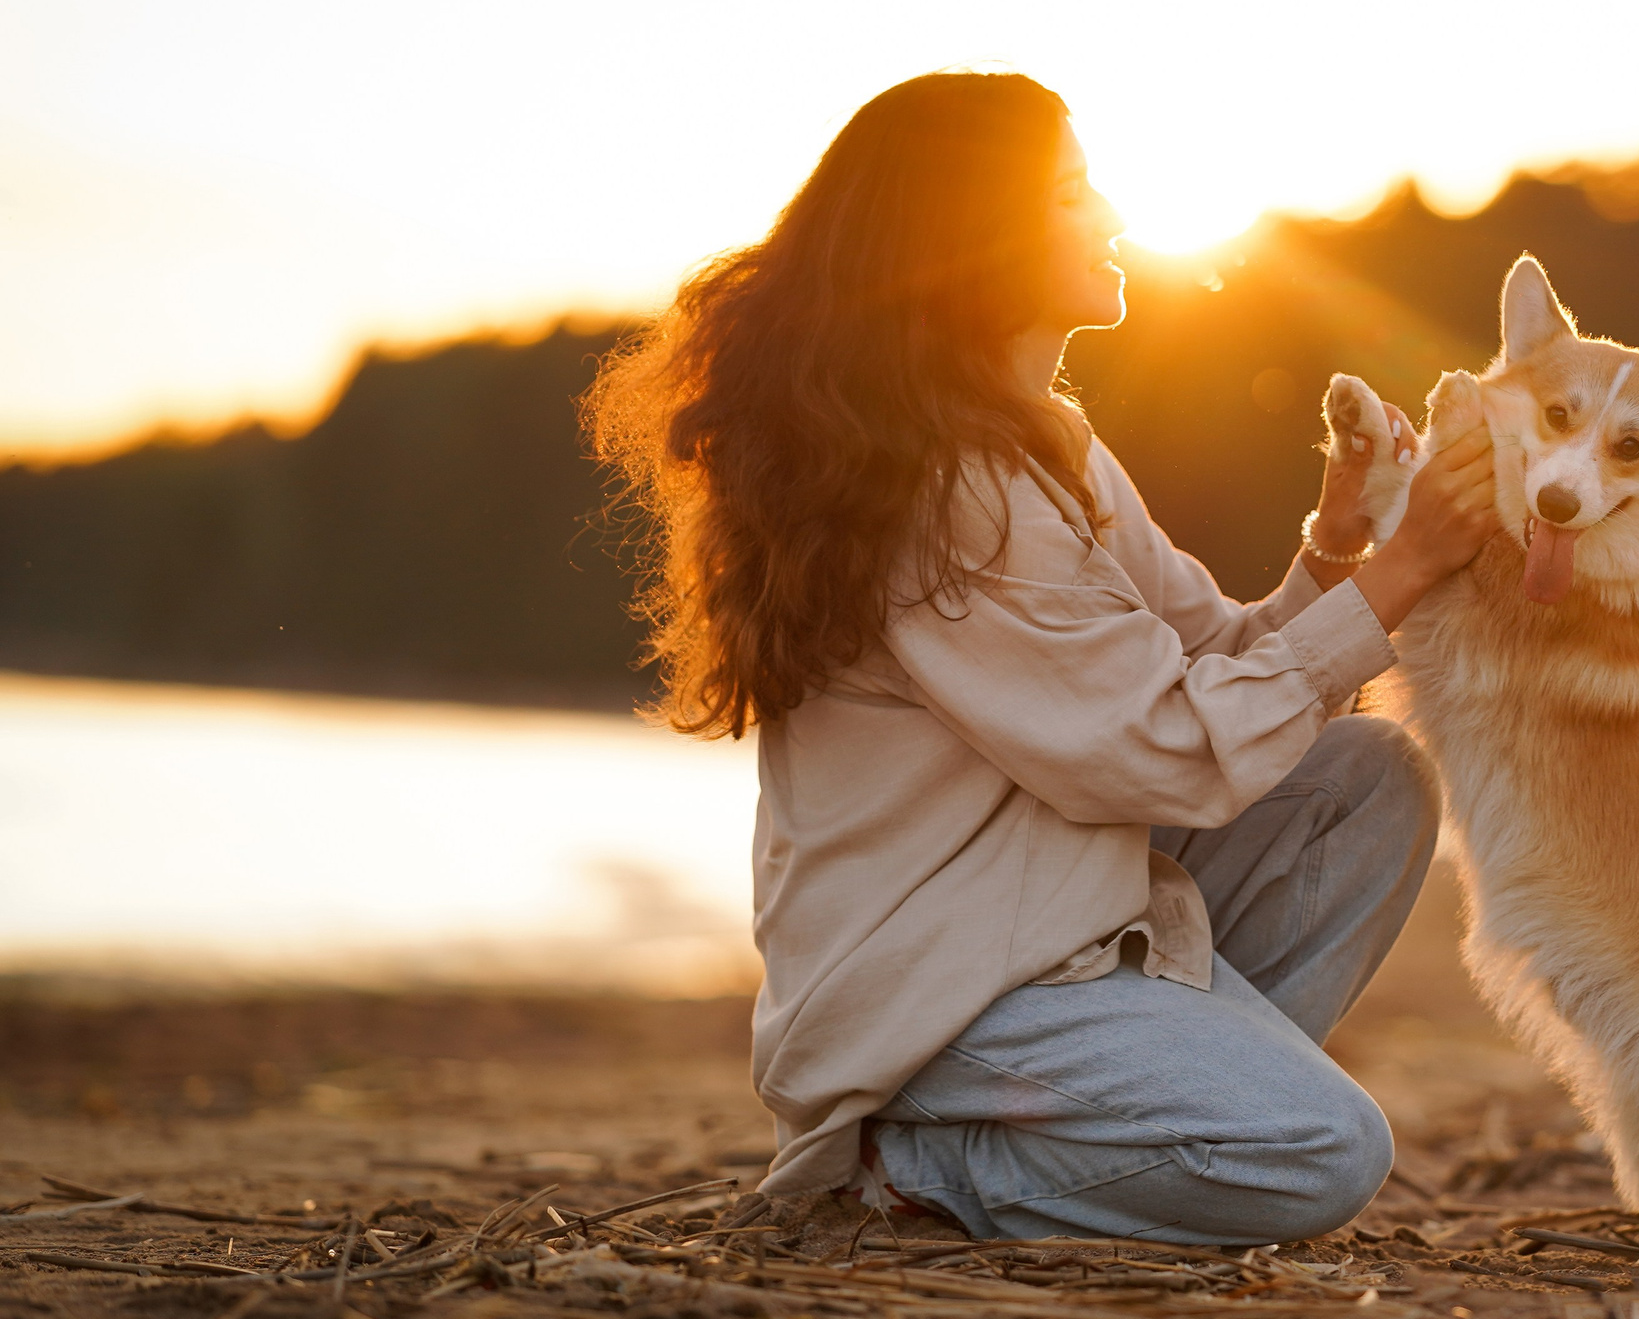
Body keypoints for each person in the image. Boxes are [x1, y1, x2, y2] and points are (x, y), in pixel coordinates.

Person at [587, 70, 1500, 1245]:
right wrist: (1407, 570)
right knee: (1324, 1153)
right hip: (942, 992)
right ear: (981, 240)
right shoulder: (946, 486)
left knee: (1364, 779)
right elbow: (1164, 747)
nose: (1113, 218)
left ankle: (1153, 1122)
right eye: (1075, 194)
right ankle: (920, 1159)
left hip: (1058, 930)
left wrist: (1339, 548)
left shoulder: (1044, 442)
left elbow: (1206, 659)